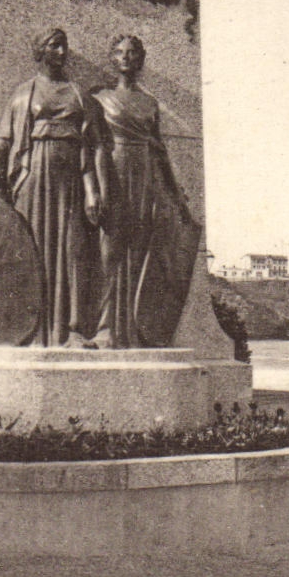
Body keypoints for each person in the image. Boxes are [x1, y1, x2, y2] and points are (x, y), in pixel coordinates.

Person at [0, 28, 102, 347]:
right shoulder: (25, 93)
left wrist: (92, 190)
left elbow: (90, 148)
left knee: (71, 250)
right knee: (30, 251)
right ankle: (30, 330)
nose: (62, 52)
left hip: (70, 181)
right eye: (54, 46)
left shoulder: (79, 94)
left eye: (64, 46)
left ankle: (72, 329)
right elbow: (4, 141)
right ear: (40, 50)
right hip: (34, 175)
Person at [91, 34, 196, 347]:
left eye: (132, 52)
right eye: (120, 52)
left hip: (144, 176)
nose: (126, 57)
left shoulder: (150, 104)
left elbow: (159, 148)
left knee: (138, 252)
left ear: (141, 59)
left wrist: (175, 192)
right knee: (107, 253)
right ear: (112, 58)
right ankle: (103, 327)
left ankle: (133, 327)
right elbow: (94, 143)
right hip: (112, 170)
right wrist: (96, 188)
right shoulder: (99, 98)